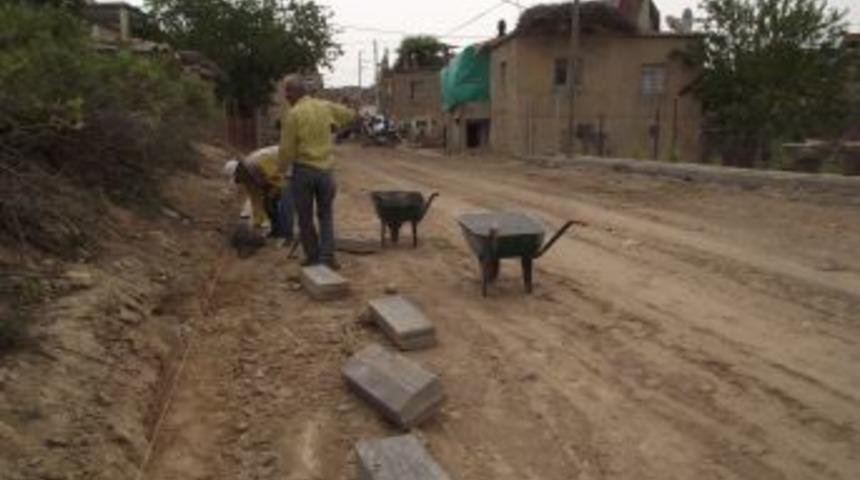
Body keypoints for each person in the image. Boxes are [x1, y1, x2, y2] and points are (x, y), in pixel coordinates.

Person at [278, 74, 356, 269]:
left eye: (288, 92)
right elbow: (349, 115)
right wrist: (347, 110)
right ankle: (327, 257)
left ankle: (313, 256)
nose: (286, 96)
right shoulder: (325, 106)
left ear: (297, 93)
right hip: (326, 172)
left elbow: (287, 149)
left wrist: (281, 171)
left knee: (304, 217)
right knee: (326, 216)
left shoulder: (293, 115)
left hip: (304, 171)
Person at [225, 145, 294, 241]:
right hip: (277, 172)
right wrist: (257, 224)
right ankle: (276, 230)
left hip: (289, 162)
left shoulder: (256, 163)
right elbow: (256, 200)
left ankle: (287, 235)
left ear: (240, 170)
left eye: (238, 178)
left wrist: (275, 190)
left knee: (285, 200)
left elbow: (277, 176)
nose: (239, 181)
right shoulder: (248, 178)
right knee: (267, 202)